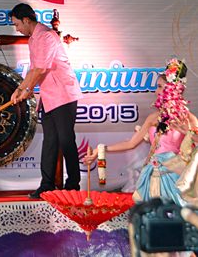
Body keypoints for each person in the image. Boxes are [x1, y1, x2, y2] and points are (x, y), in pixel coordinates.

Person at [84, 58, 198, 206]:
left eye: (159, 87)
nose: (156, 91)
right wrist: (101, 150)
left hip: (176, 176)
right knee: (150, 217)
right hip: (152, 174)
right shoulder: (153, 117)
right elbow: (131, 144)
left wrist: (188, 132)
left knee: (175, 217)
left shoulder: (188, 118)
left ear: (171, 89)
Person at [9, 3, 83, 199]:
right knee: (50, 140)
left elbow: (41, 69)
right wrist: (19, 89)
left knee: (66, 139)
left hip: (64, 95)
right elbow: (34, 69)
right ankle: (47, 185)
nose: (17, 29)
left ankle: (73, 184)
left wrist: (28, 89)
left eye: (17, 24)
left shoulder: (47, 36)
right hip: (50, 97)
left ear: (26, 20)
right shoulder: (33, 39)